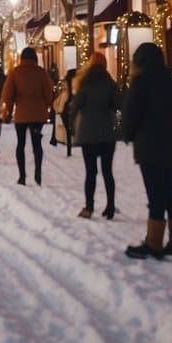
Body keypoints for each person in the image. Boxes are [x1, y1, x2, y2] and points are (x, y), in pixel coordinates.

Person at [122, 42, 172, 260]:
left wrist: (127, 134)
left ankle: (154, 243)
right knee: (169, 192)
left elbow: (131, 113)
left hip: (150, 145)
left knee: (155, 193)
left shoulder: (140, 82)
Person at [69, 53, 120, 220]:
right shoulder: (110, 83)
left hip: (88, 133)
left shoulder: (85, 83)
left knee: (90, 172)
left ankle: (89, 207)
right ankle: (110, 206)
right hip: (106, 133)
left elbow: (76, 106)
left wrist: (71, 125)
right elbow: (117, 104)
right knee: (108, 172)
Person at [0, 48, 55, 186]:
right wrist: (47, 104)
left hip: (22, 115)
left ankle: (22, 176)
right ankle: (38, 172)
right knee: (37, 144)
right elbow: (49, 95)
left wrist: (7, 111)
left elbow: (8, 95)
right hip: (38, 115)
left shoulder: (15, 73)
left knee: (21, 144)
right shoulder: (41, 73)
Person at [51, 68, 77, 157]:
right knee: (70, 129)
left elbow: (56, 102)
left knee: (68, 130)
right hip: (69, 108)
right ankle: (70, 145)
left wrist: (58, 109)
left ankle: (69, 147)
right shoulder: (75, 86)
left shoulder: (66, 87)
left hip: (64, 110)